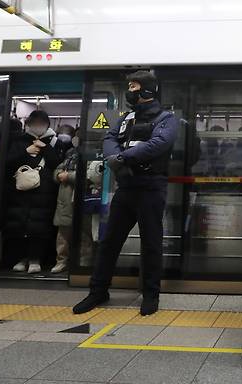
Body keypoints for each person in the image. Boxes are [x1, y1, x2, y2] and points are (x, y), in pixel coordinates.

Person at [73, 71, 179, 316]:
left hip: (151, 188)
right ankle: (98, 290)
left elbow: (158, 144)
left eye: (133, 86)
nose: (129, 90)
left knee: (151, 243)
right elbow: (109, 138)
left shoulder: (167, 118)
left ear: (147, 90)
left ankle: (151, 295)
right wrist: (115, 156)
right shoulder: (125, 118)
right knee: (109, 241)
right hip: (126, 189)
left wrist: (122, 157)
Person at [3, 110, 66, 273]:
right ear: (28, 124)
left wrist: (44, 148)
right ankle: (21, 258)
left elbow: (57, 164)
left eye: (41, 124)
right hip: (20, 191)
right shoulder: (19, 141)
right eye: (35, 123)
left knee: (40, 227)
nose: (38, 127)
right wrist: (27, 151)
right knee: (19, 226)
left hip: (45, 192)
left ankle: (36, 259)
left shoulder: (55, 142)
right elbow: (8, 163)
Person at [51, 126, 79, 273]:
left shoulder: (96, 153)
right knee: (63, 234)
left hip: (82, 197)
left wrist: (70, 176)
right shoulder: (70, 154)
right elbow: (57, 171)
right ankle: (61, 261)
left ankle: (82, 263)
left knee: (84, 234)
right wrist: (58, 175)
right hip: (65, 197)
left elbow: (91, 174)